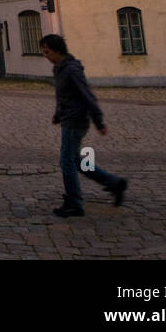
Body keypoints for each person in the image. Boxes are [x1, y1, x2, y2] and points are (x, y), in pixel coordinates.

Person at [40, 33, 128, 217]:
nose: (45, 55)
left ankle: (74, 202)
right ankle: (114, 183)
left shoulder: (71, 69)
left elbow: (87, 95)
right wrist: (57, 114)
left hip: (76, 121)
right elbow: (63, 95)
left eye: (47, 52)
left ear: (57, 50)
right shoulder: (59, 68)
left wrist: (98, 120)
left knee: (66, 161)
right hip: (68, 119)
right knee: (77, 161)